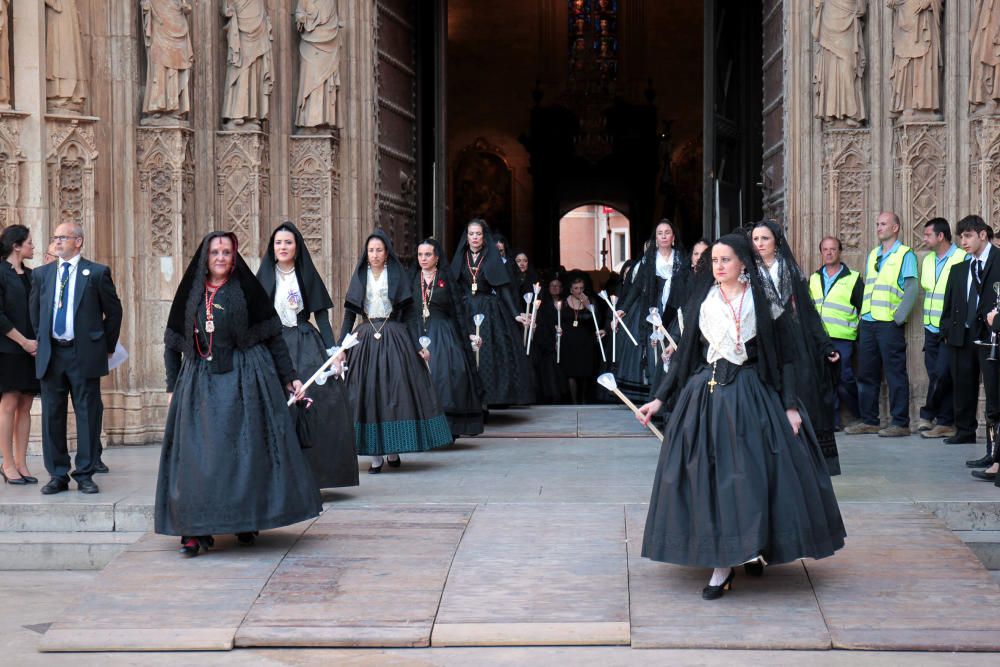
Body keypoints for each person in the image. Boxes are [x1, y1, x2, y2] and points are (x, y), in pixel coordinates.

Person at [636, 234, 845, 599]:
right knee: (714, 481)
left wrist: (791, 406)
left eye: (725, 260)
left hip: (752, 392)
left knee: (753, 478)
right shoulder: (702, 301)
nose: (718, 266)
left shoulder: (762, 300)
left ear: (743, 263)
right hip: (708, 394)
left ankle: (753, 546)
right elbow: (686, 356)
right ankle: (722, 565)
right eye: (714, 260)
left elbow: (787, 357)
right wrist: (659, 399)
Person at [157, 231, 322, 556]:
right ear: (206, 257)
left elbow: (273, 336)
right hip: (199, 385)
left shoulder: (247, 290)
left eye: (227, 252)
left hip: (245, 381)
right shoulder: (191, 292)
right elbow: (173, 342)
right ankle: (193, 530)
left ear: (234, 257)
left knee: (245, 454)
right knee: (198, 458)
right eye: (215, 252)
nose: (220, 257)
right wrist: (172, 386)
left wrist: (290, 378)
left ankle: (247, 517)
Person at [256, 221, 358, 490]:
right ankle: (277, 477)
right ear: (272, 247)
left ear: (297, 247)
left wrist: (333, 353)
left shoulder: (306, 274)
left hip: (304, 342)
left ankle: (316, 474)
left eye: (288, 242)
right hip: (273, 345)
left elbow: (322, 319)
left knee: (320, 402)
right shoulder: (264, 276)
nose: (283, 247)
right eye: (278, 243)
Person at [341, 230, 452, 473]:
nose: (375, 254)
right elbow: (350, 314)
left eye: (379, 250)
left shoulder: (396, 275)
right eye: (371, 250)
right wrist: (342, 347)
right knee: (369, 394)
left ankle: (393, 449)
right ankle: (376, 455)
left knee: (395, 394)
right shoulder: (360, 276)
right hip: (366, 338)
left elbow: (410, 314)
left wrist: (417, 346)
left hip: (394, 336)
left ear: (387, 252)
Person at [29, 223, 122, 495]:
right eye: (55, 237)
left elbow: (114, 312)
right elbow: (35, 313)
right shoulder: (42, 275)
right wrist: (43, 341)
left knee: (87, 415)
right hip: (53, 354)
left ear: (78, 242)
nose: (57, 242)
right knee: (52, 416)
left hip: (83, 353)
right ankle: (57, 474)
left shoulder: (96, 273)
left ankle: (85, 473)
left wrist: (106, 345)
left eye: (63, 238)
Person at [753, 221, 842, 475]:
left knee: (801, 400)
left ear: (776, 242)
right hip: (763, 345)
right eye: (756, 239)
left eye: (765, 239)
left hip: (793, 343)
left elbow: (809, 313)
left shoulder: (789, 270)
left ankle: (806, 462)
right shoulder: (748, 271)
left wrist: (825, 345)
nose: (759, 244)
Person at [844, 212, 918, 437]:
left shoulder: (905, 254)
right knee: (866, 373)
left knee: (895, 373)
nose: (878, 227)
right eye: (877, 224)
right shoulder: (874, 254)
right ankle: (870, 420)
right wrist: (862, 317)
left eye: (883, 224)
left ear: (895, 228)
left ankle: (900, 422)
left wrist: (898, 317)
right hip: (868, 321)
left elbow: (912, 288)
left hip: (888, 323)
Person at [451, 219, 535, 406]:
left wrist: (515, 314)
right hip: (465, 309)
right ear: (466, 237)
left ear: (484, 237)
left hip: (488, 309)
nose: (474, 237)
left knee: (490, 356)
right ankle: (469, 400)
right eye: (471, 234)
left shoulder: (491, 257)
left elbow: (503, 288)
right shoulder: (460, 257)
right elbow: (454, 287)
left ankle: (486, 402)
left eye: (478, 234)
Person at [940, 215, 1000, 473]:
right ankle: (992, 454)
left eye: (967, 236)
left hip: (994, 338)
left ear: (983, 235)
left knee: (995, 400)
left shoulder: (997, 260)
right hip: (975, 337)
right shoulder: (969, 264)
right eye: (961, 237)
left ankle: (995, 457)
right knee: (988, 402)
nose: (963, 242)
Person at [409, 238, 485, 439]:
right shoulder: (411, 279)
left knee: (447, 376)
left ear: (436, 257)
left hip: (443, 333)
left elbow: (458, 310)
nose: (423, 258)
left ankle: (447, 429)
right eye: (420, 254)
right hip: (417, 332)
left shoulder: (445, 278)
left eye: (427, 255)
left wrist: (469, 333)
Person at [614, 220, 691, 402]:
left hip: (674, 307)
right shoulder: (649, 260)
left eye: (667, 232)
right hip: (652, 310)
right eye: (659, 233)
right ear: (655, 238)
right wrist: (623, 309)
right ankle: (654, 396)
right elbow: (637, 287)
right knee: (652, 350)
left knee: (672, 346)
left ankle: (671, 395)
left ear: (673, 237)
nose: (663, 236)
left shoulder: (682, 259)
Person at [917, 218, 965, 439]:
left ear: (940, 236)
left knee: (943, 373)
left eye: (927, 235)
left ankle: (928, 414)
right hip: (930, 327)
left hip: (949, 328)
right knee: (937, 375)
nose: (924, 239)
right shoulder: (927, 261)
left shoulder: (961, 258)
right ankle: (945, 422)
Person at [808, 235, 863, 430]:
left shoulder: (853, 278)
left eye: (833, 249)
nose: (829, 253)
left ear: (839, 251)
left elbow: (863, 309)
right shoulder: (814, 278)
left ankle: (859, 414)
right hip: (819, 339)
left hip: (843, 337)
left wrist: (859, 334)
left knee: (845, 378)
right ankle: (832, 422)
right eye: (825, 249)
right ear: (821, 252)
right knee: (823, 380)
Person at [0, 225, 40, 484]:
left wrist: (35, 344)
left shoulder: (32, 275)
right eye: (29, 243)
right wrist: (23, 341)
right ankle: (6, 463)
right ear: (16, 246)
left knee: (26, 404)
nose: (33, 247)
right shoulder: (0, 272)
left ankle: (22, 462)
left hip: (31, 349)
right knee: (9, 404)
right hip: (8, 348)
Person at [558, 273, 605, 404]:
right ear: (570, 289)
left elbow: (597, 319)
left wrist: (587, 304)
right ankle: (573, 401)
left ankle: (584, 399)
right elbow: (558, 319)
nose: (579, 291)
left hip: (585, 341)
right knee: (571, 372)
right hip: (569, 341)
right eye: (576, 288)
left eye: (581, 288)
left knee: (585, 372)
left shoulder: (590, 301)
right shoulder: (564, 302)